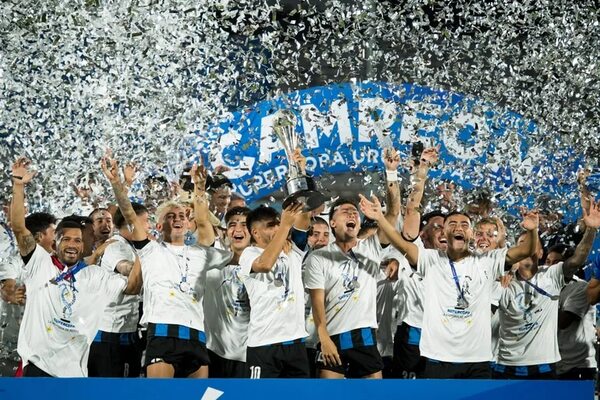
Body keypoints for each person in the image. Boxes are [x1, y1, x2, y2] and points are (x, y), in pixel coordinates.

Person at [359, 194, 540, 379]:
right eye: (452, 224)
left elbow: (526, 251)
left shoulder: (488, 261)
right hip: (438, 358)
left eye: (464, 225)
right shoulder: (431, 260)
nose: (458, 227)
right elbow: (402, 245)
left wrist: (533, 231)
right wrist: (380, 218)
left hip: (477, 360)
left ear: (471, 234)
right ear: (444, 233)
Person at [102, 152, 231, 378]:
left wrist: (199, 191)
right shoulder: (151, 250)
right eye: (171, 216)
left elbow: (203, 222)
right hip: (162, 334)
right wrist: (116, 183)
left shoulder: (201, 253)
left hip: (196, 335)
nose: (178, 219)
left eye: (182, 215)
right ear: (159, 227)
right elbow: (130, 214)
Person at [11, 156, 142, 377]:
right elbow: (18, 228)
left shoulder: (96, 276)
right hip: (37, 369)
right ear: (55, 243)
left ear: (84, 247)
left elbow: (132, 286)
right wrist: (18, 185)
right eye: (67, 239)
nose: (72, 244)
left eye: (78, 241)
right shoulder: (40, 265)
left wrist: (143, 251)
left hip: (74, 376)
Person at [304, 147, 402, 379]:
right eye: (345, 211)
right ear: (333, 223)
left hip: (365, 337)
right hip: (333, 337)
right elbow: (317, 302)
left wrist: (391, 173)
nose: (352, 214)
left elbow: (393, 213)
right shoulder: (319, 257)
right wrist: (324, 338)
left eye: (355, 213)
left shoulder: (370, 248)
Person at [493, 198, 600, 380]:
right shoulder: (502, 282)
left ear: (541, 253)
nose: (525, 248)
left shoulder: (551, 277)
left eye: (531, 244)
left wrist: (591, 229)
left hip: (544, 367)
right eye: (521, 244)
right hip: (505, 366)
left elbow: (577, 259)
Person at [239, 202, 311, 379]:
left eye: (278, 223)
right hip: (264, 345)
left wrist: (301, 193)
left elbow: (305, 216)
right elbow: (264, 265)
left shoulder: (292, 249)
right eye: (271, 225)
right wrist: (285, 226)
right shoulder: (248, 254)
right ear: (255, 233)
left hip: (296, 343)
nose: (278, 227)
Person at [87, 203, 151, 378]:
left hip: (127, 332)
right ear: (134, 224)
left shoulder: (128, 245)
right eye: (145, 222)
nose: (149, 227)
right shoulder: (116, 246)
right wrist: (146, 257)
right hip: (110, 336)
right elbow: (125, 267)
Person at [204, 206, 252, 378]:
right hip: (214, 353)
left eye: (244, 225)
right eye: (232, 224)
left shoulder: (264, 266)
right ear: (225, 232)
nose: (238, 229)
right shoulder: (211, 262)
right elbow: (202, 225)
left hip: (251, 354)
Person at [557, 272, 597, 380]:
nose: (551, 266)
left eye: (556, 262)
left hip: (579, 364)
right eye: (548, 261)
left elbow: (563, 322)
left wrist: (545, 301)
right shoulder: (547, 286)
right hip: (558, 364)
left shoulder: (581, 287)